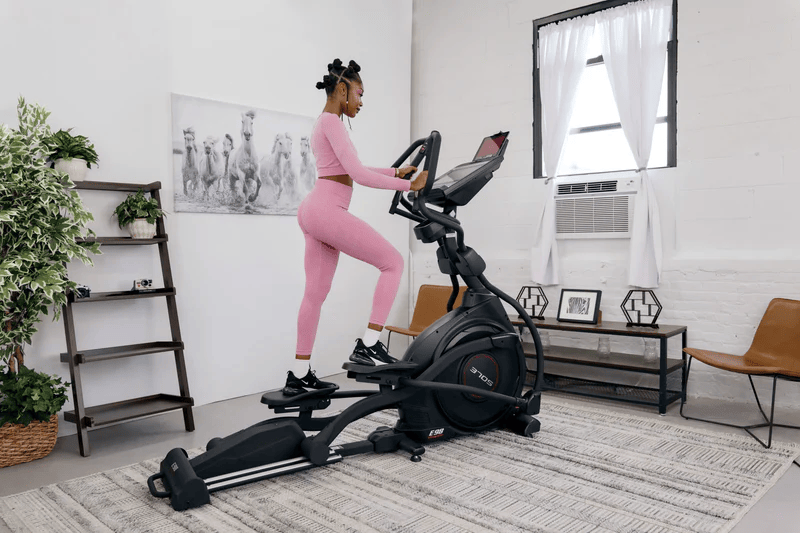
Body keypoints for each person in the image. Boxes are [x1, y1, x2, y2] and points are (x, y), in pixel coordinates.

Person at [284, 58, 428, 396]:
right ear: (342, 89)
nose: (361, 102)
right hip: (326, 210)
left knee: (314, 295)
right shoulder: (332, 122)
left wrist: (396, 172)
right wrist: (409, 186)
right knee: (393, 263)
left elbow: (351, 168)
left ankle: (299, 374)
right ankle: (370, 345)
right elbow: (359, 176)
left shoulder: (324, 122)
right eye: (359, 94)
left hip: (314, 211)